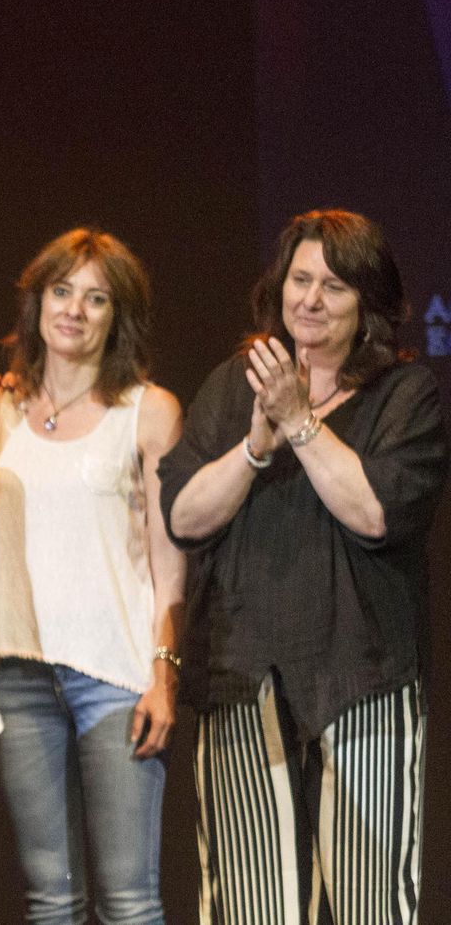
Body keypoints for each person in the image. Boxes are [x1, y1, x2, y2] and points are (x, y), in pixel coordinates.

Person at [158, 209, 447, 923]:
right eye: (300, 280)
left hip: (362, 680)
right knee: (253, 905)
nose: (311, 300)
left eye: (335, 286)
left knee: (370, 902)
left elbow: (376, 512)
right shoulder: (234, 386)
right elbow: (183, 517)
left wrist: (301, 422)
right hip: (242, 677)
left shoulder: (405, 396)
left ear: (369, 305)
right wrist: (256, 446)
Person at [0, 228, 184, 925]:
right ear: (37, 302)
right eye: (62, 291)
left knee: (128, 900)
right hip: (21, 677)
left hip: (115, 678)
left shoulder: (148, 411)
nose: (75, 310)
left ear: (118, 316)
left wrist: (162, 673)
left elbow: (168, 560)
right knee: (51, 899)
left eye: (97, 299)